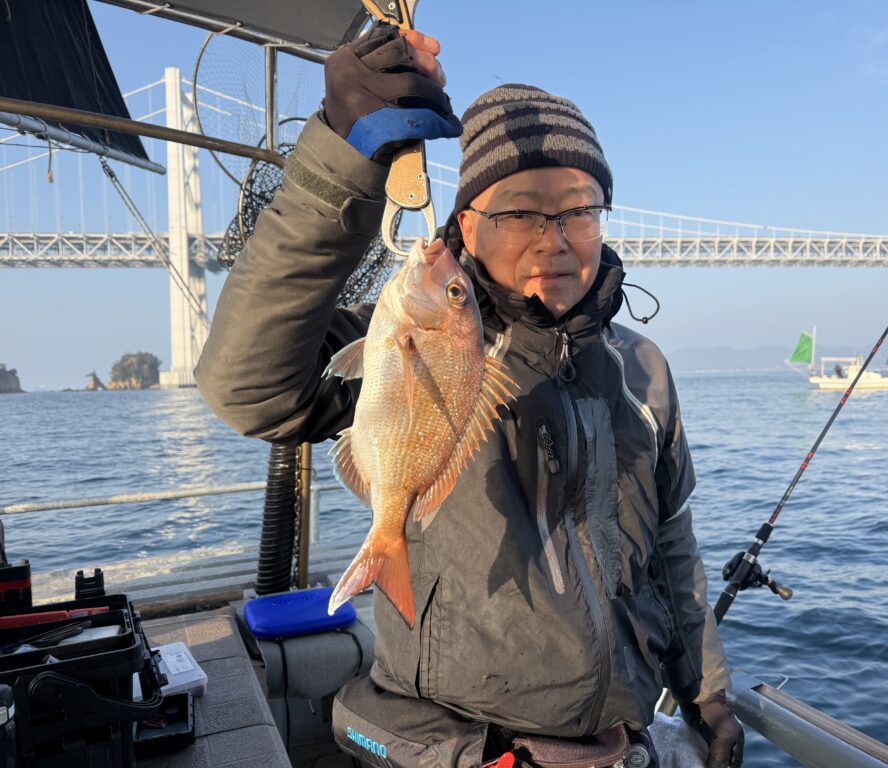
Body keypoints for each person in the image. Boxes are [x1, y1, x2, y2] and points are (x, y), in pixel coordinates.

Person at [196, 24, 743, 768]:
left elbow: (673, 551)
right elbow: (247, 387)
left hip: (618, 744)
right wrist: (340, 159)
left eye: (579, 209)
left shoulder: (641, 367)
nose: (553, 239)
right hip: (460, 748)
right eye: (518, 211)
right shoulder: (414, 334)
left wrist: (706, 696)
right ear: (464, 228)